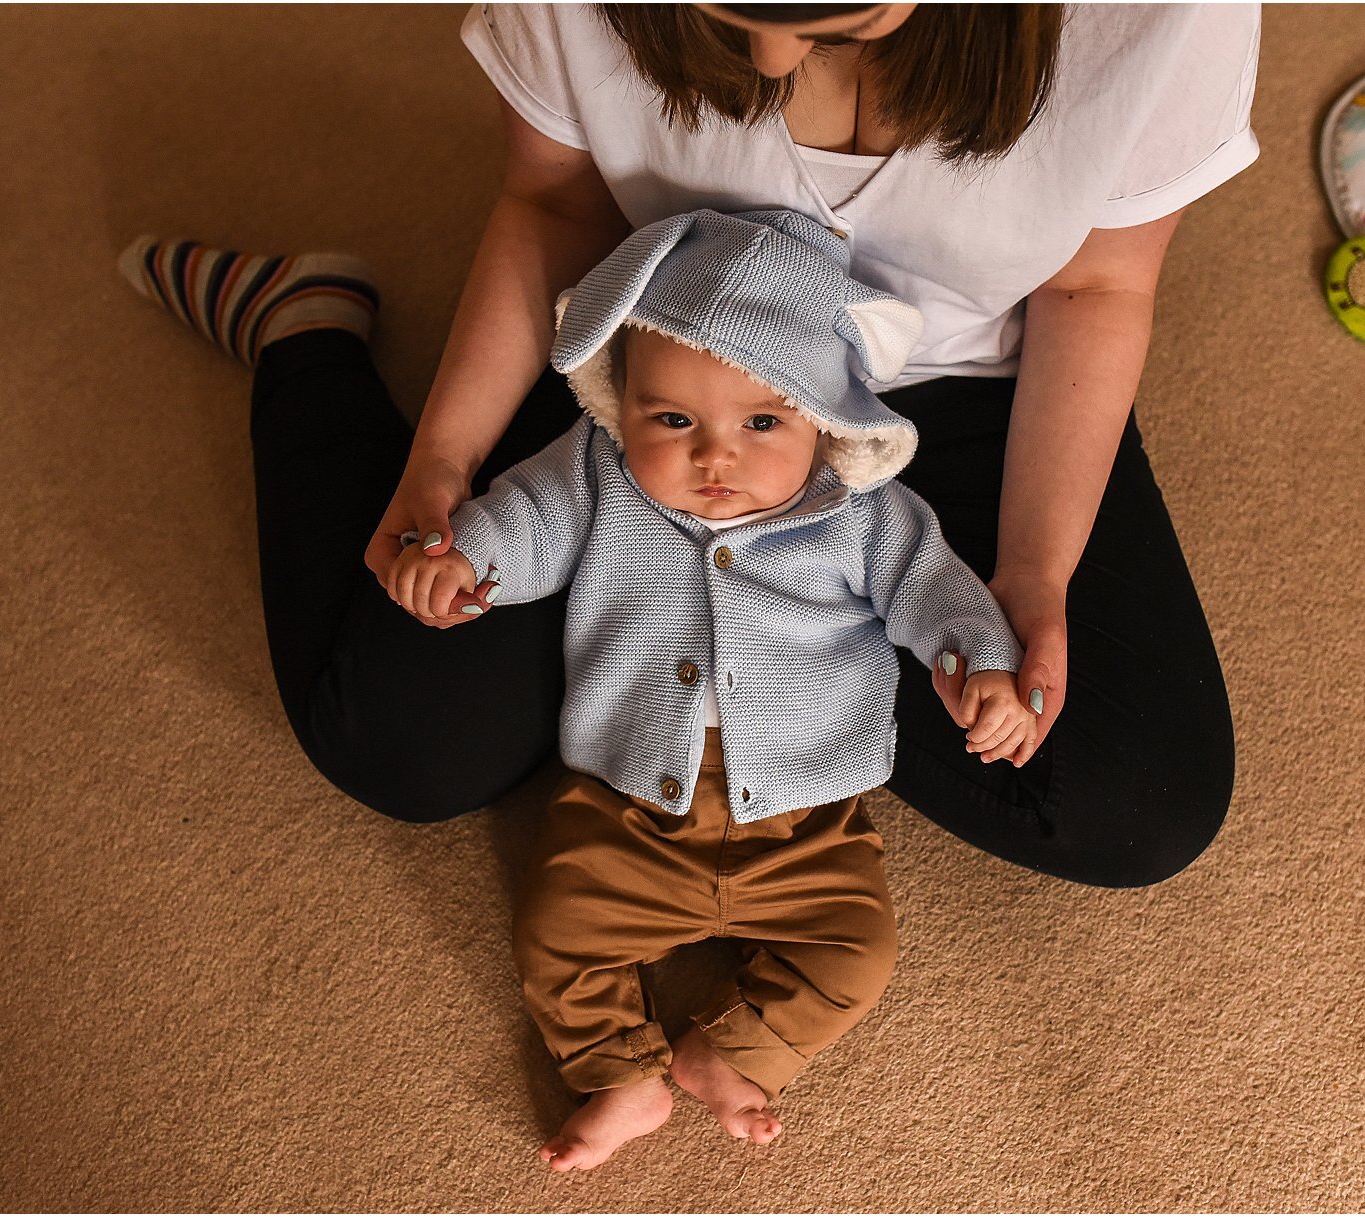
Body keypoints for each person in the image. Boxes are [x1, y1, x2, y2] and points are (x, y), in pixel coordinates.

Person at [117, 3, 1255, 900]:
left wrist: (1030, 575)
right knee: (396, 743)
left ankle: (771, 647)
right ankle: (304, 333)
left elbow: (1091, 283)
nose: (762, 58)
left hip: (958, 381)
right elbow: (554, 202)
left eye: (824, 13)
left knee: (1132, 799)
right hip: (661, 365)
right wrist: (443, 460)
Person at [379, 206, 1030, 1169]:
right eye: (672, 419)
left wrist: (984, 665)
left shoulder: (858, 509)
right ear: (621, 404)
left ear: (823, 416)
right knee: (559, 925)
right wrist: (467, 554)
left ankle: (732, 1050)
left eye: (762, 421)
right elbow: (529, 520)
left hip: (805, 825)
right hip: (628, 811)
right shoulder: (602, 473)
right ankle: (620, 1073)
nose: (713, 456)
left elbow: (933, 590)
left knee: (859, 950)